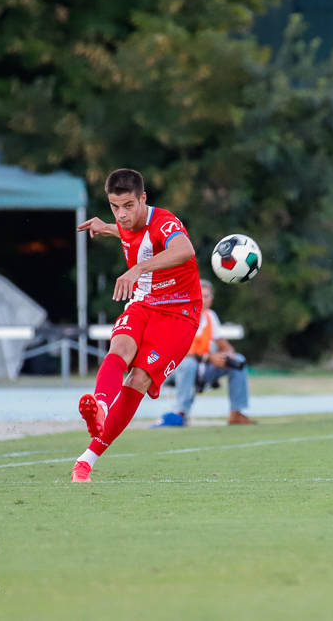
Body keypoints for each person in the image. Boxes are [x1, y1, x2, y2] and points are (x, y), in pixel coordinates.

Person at [70, 168, 203, 482]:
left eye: (128, 206)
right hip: (144, 303)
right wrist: (106, 227)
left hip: (179, 314)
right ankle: (100, 407)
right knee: (121, 347)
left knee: (139, 378)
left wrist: (137, 269)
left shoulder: (166, 222)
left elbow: (185, 249)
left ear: (143, 198)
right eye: (115, 207)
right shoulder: (121, 220)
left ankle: (86, 460)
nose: (122, 214)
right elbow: (129, 232)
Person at [156, 279, 255, 426]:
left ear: (211, 300)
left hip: (203, 368)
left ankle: (236, 413)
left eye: (207, 296)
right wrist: (209, 358)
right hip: (176, 370)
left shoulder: (211, 317)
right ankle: (181, 413)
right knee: (188, 364)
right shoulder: (181, 316)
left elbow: (225, 346)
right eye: (200, 294)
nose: (203, 299)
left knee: (239, 360)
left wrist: (228, 355)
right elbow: (177, 351)